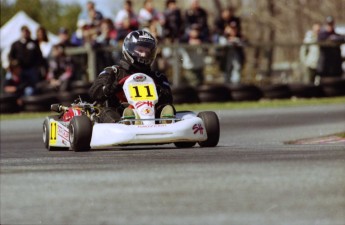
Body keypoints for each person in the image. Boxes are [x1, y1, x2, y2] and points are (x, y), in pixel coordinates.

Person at [89, 30, 175, 123]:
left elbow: (168, 100)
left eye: (147, 51)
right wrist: (108, 89)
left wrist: (159, 90)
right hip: (119, 112)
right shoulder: (113, 72)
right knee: (107, 112)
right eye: (140, 50)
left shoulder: (157, 77)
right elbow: (93, 93)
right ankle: (129, 119)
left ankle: (165, 121)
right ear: (128, 49)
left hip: (149, 114)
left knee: (168, 108)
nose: (144, 54)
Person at [8, 25, 45, 96]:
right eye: (24, 32)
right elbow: (10, 56)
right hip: (20, 69)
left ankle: (36, 99)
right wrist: (14, 63)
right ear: (21, 33)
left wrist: (39, 66)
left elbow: (39, 56)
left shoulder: (33, 43)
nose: (25, 33)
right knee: (22, 86)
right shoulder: (16, 44)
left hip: (32, 69)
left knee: (35, 85)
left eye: (27, 32)